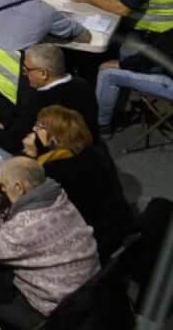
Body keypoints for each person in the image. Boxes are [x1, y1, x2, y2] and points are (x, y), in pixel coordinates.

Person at [0, 157, 101, 330]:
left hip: (59, 311)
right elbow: (9, 218)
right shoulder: (57, 197)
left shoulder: (26, 227)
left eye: (4, 183)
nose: (1, 186)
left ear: (18, 187)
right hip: (90, 293)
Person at [22, 106, 138, 252]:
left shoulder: (54, 171)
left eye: (39, 126)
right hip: (118, 226)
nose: (34, 129)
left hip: (90, 242)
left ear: (54, 137)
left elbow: (25, 195)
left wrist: (30, 157)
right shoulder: (97, 150)